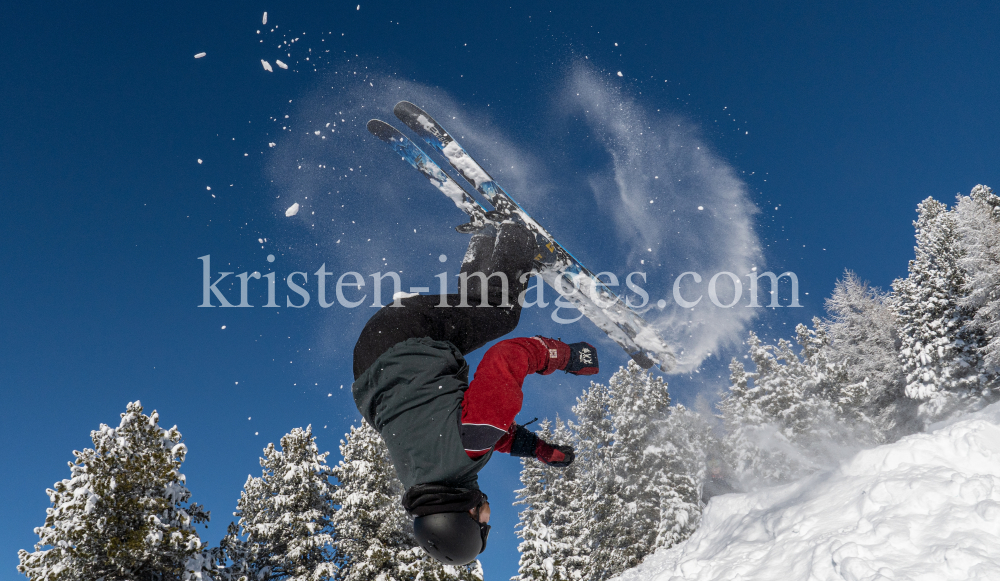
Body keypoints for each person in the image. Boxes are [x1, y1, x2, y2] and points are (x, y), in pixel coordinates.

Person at [351, 221, 599, 565]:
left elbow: (508, 357)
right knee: (476, 312)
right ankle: (484, 244)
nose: (487, 514)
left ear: (465, 515)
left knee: (500, 315)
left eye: (482, 522)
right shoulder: (425, 476)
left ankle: (520, 238)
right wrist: (541, 450)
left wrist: (568, 357)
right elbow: (477, 430)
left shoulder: (465, 448)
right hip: (372, 362)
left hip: (405, 340)